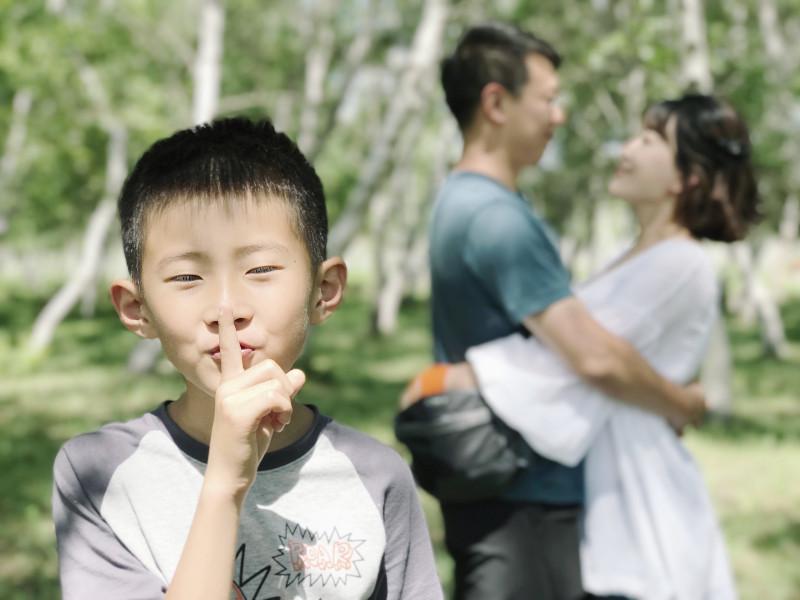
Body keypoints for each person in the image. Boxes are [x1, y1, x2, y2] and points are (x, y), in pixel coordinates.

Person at [52, 118, 443, 600]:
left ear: (324, 291)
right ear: (137, 309)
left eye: (260, 269)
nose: (226, 309)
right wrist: (224, 486)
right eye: (186, 278)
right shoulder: (100, 473)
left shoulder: (376, 476)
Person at [407, 94, 759, 599]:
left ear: (688, 177)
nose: (629, 147)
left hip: (641, 502)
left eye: (651, 139)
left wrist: (446, 380)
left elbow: (579, 360)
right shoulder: (636, 256)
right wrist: (681, 401)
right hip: (606, 491)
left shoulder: (680, 263)